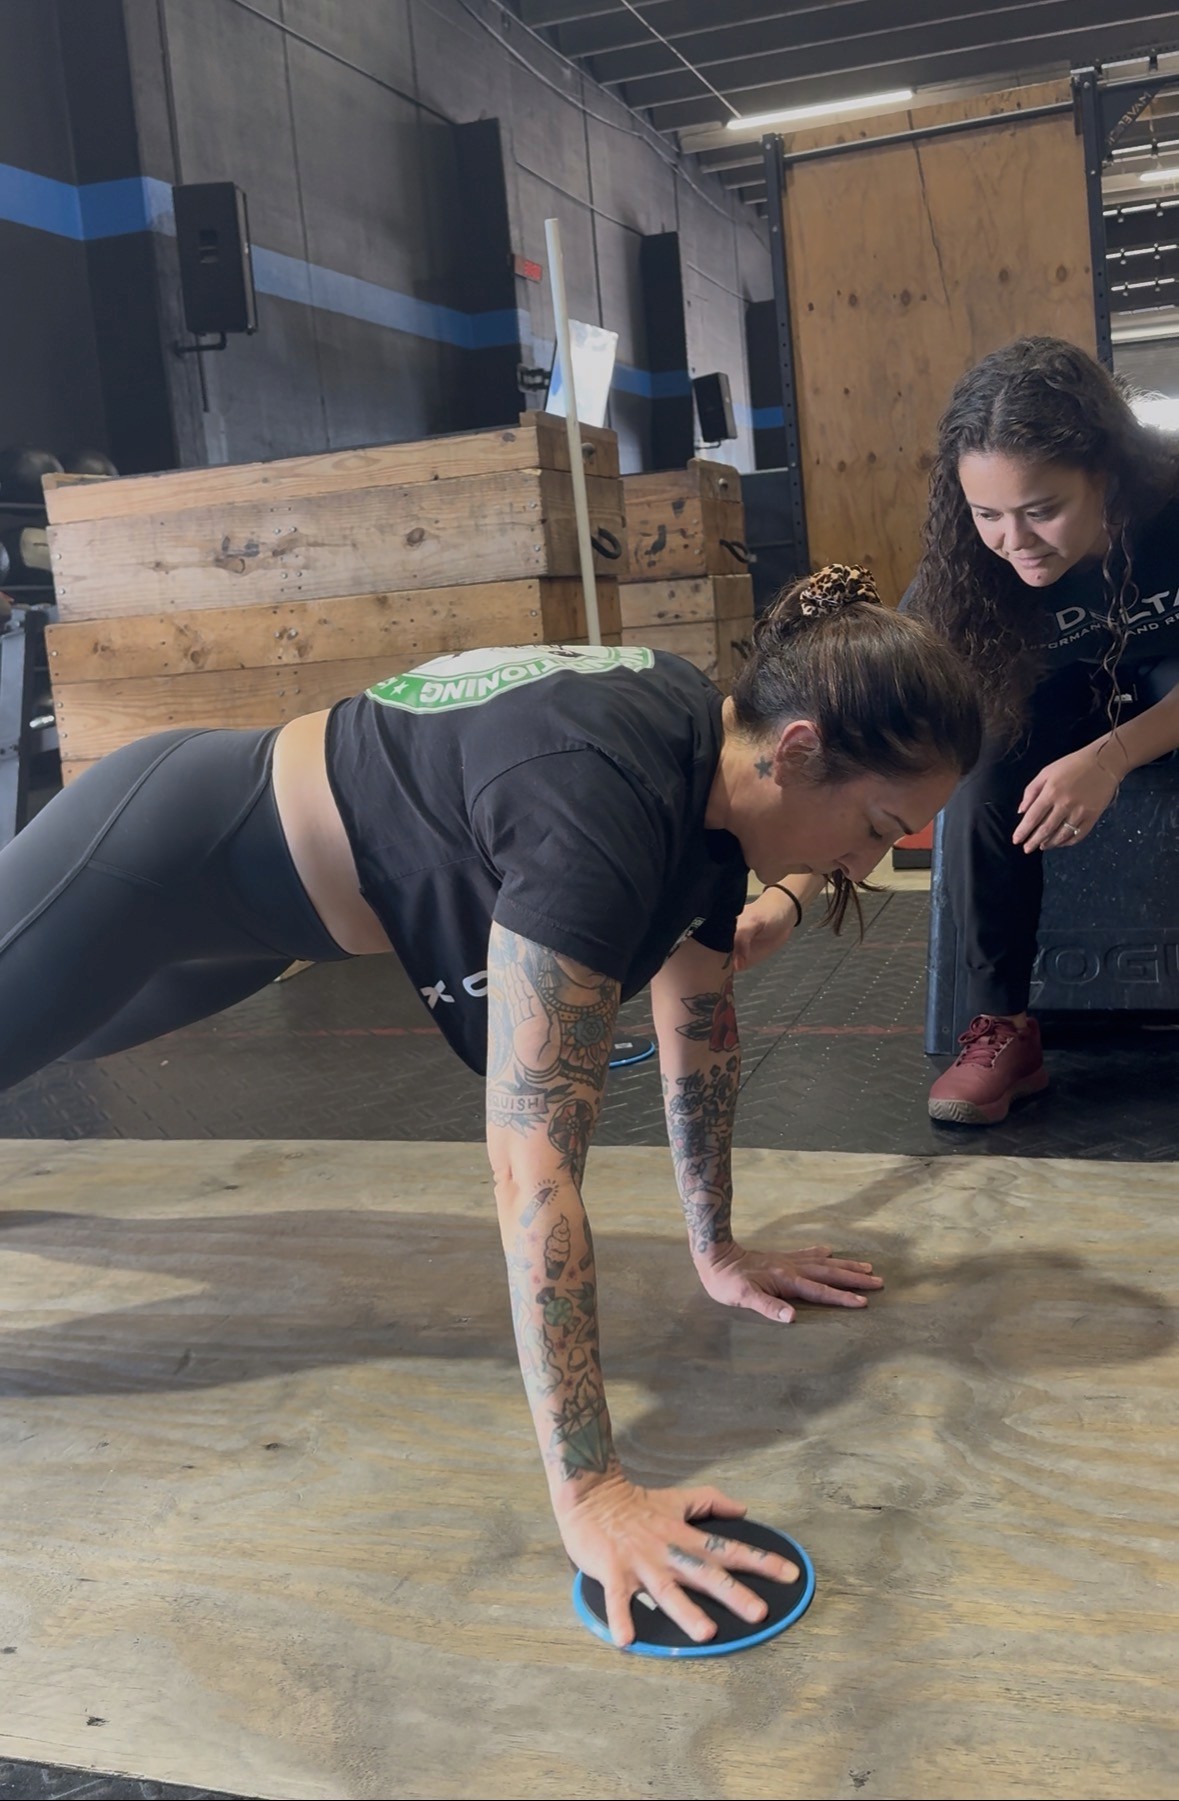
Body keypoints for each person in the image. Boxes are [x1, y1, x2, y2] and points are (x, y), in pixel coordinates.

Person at [0, 562, 980, 1646]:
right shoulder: (598, 803)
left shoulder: (709, 777)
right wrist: (593, 1491)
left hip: (266, 925)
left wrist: (720, 1250)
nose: (870, 859)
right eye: (882, 824)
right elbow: (532, 1165)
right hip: (161, 849)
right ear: (798, 751)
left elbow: (700, 1021)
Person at [896, 335, 1179, 1125]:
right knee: (984, 764)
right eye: (987, 513)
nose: (1012, 540)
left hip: (1166, 684)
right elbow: (888, 686)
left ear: (1107, 475)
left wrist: (1111, 757)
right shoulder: (967, 559)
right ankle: (1002, 1029)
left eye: (1040, 510)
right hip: (1063, 692)